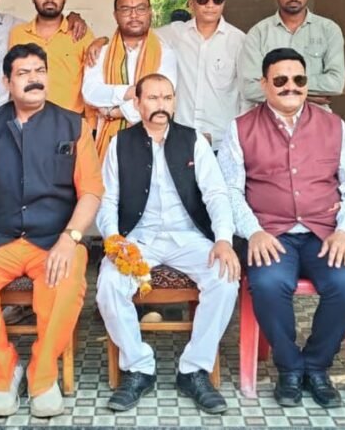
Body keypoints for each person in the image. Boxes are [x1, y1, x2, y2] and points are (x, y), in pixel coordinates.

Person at [0, 44, 102, 418]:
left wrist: (71, 239)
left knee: (65, 281)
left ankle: (42, 376)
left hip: (55, 240)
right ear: (7, 81)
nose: (34, 79)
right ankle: (4, 374)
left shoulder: (74, 125)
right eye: (23, 73)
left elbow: (91, 192)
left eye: (39, 71)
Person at [220, 47, 345, 408]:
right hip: (270, 234)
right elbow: (230, 190)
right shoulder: (240, 128)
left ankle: (315, 365)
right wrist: (253, 231)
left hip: (324, 233)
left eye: (298, 79)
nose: (291, 86)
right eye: (281, 80)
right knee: (268, 285)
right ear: (264, 84)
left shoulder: (334, 126)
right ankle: (289, 368)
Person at [97, 73, 239, 414]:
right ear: (137, 103)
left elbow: (217, 194)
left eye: (167, 98)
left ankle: (194, 369)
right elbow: (108, 199)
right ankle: (138, 367)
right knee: (109, 285)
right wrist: (114, 240)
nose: (161, 105)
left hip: (188, 236)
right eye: (152, 98)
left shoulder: (193, 140)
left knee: (224, 278)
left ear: (174, 102)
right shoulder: (120, 144)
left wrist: (223, 240)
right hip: (139, 238)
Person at [82, 0, 177, 156]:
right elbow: (90, 93)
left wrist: (114, 112)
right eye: (126, 9)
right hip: (110, 143)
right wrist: (131, 92)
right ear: (115, 15)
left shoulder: (165, 54)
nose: (134, 15)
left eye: (140, 9)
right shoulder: (100, 52)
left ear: (150, 12)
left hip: (154, 143)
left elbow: (160, 101)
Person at [238, 0, 345, 107]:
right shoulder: (258, 34)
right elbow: (249, 89)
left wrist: (279, 85)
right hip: (271, 118)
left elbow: (336, 83)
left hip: (316, 117)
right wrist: (308, 97)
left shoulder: (329, 30)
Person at [156, 0, 245, 152]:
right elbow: (139, 35)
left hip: (223, 140)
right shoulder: (175, 34)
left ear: (223, 3)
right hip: (181, 136)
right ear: (191, 3)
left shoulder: (239, 40)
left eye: (217, 0)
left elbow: (245, 93)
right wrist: (102, 42)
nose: (210, 5)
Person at [9, 0, 95, 115]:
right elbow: (13, 78)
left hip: (70, 121)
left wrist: (103, 40)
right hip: (29, 119)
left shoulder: (81, 33)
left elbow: (94, 77)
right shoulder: (18, 34)